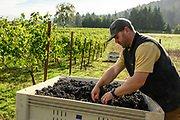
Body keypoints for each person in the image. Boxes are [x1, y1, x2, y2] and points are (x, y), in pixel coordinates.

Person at [91, 18, 180, 120]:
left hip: (173, 103)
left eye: (117, 37)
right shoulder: (127, 51)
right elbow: (114, 70)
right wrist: (98, 85)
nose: (116, 41)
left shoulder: (146, 47)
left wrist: (113, 93)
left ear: (126, 30)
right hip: (157, 102)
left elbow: (138, 81)